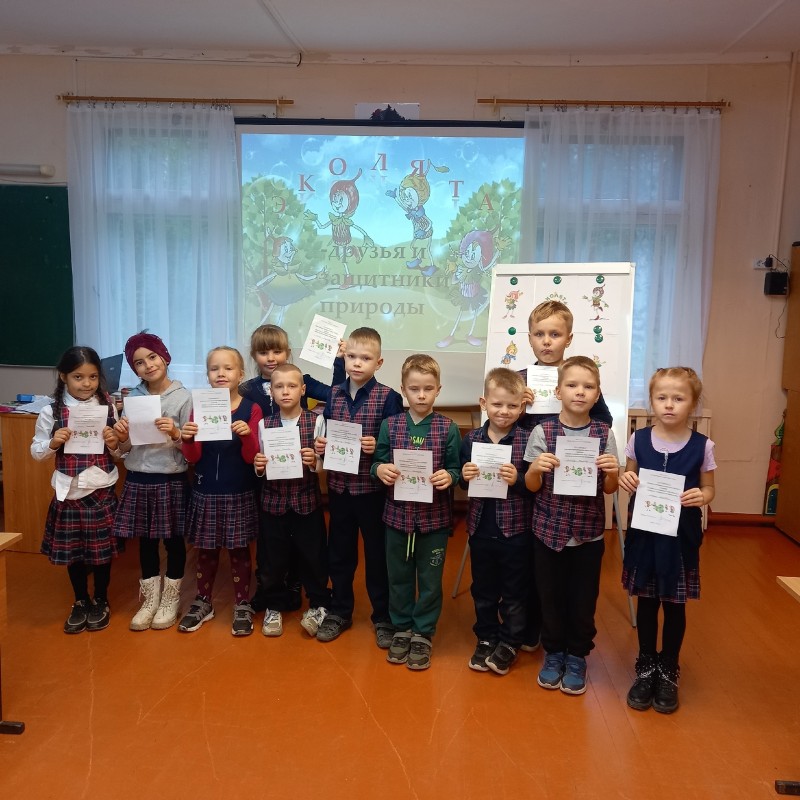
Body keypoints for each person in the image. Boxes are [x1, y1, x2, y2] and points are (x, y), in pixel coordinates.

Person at [517, 299, 613, 653]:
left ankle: (560, 634)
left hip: (571, 486)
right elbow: (499, 423)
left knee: (560, 566)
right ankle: (532, 624)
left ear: (568, 339)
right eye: (540, 334)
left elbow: (603, 423)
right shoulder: (520, 380)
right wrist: (518, 407)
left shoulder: (579, 378)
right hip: (528, 478)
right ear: (530, 338)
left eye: (555, 334)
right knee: (533, 558)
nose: (547, 341)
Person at [619, 367, 716, 714]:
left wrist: (702, 497)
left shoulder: (703, 446)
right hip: (645, 535)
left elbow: (709, 488)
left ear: (693, 404)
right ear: (652, 401)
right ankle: (646, 665)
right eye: (662, 398)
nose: (669, 405)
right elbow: (628, 474)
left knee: (675, 606)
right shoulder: (638, 439)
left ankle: (669, 668)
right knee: (647, 602)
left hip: (680, 539)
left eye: (678, 398)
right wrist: (626, 479)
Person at [524, 355, 619, 694]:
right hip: (548, 532)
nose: (580, 392)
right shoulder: (542, 431)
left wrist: (613, 472)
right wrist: (535, 469)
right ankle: (553, 653)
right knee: (550, 596)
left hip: (588, 534)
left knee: (583, 599)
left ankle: (577, 655)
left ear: (597, 395)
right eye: (572, 385)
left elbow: (609, 489)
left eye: (588, 387)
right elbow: (531, 486)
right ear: (558, 391)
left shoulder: (604, 434)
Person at [240, 323, 343, 615]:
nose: (271, 357)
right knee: (272, 547)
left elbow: (336, 396)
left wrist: (338, 361)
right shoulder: (248, 391)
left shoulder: (310, 406)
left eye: (277, 351)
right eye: (264, 352)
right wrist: (259, 465)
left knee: (309, 548)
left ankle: (303, 590)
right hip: (269, 487)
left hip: (303, 491)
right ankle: (271, 594)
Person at [313, 327, 404, 646]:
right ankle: (340, 610)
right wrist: (321, 445)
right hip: (339, 490)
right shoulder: (334, 394)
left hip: (372, 492)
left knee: (377, 555)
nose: (356, 363)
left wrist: (378, 447)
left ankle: (383, 615)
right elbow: (324, 432)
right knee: (340, 553)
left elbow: (398, 443)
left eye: (365, 358)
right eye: (351, 356)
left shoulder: (389, 397)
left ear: (378, 363)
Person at [372, 354, 461, 670]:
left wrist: (450, 476)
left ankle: (423, 632)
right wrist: (380, 469)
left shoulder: (448, 428)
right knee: (398, 577)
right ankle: (402, 627)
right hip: (397, 519)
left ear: (438, 390)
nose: (421, 395)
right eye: (414, 389)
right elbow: (377, 461)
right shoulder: (390, 425)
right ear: (403, 390)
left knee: (430, 579)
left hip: (433, 522)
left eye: (428, 389)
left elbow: (456, 468)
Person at [30, 346, 122, 633]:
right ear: (63, 377)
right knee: (75, 553)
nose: (86, 384)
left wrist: (114, 442)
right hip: (68, 491)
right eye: (78, 377)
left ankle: (101, 599)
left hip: (100, 487)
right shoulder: (51, 411)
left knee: (101, 553)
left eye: (93, 377)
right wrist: (53, 442)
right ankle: (80, 600)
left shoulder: (107, 406)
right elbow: (36, 452)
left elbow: (119, 452)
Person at [178, 346, 262, 636]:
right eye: (214, 369)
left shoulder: (251, 409)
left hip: (239, 491)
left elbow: (252, 458)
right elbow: (192, 457)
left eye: (228, 368)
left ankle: (242, 603)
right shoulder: (200, 408)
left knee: (239, 552)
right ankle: (203, 601)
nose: (221, 373)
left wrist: (247, 436)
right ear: (207, 375)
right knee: (206, 551)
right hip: (207, 492)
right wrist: (188, 438)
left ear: (241, 374)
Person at [112, 332, 192, 631]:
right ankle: (149, 600)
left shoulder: (184, 397)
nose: (148, 365)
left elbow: (192, 450)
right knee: (145, 542)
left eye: (152, 357)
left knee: (173, 541)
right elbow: (125, 448)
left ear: (165, 357)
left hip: (170, 478)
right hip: (138, 478)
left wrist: (176, 432)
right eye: (139, 362)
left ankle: (171, 600)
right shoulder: (133, 398)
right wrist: (122, 436)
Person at [460, 367, 533, 675]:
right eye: (497, 404)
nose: (504, 411)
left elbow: (535, 487)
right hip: (480, 529)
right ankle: (486, 637)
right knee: (483, 589)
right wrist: (464, 476)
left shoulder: (528, 440)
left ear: (522, 407)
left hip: (516, 532)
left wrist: (519, 479)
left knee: (514, 591)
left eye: (512, 405)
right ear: (484, 403)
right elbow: (463, 482)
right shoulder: (471, 440)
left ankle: (510, 641)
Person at [253, 363, 331, 638]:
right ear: (271, 391)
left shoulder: (316, 421)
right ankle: (274, 605)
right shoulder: (264, 424)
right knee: (273, 558)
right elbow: (260, 465)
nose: (285, 391)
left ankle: (319, 603)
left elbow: (321, 466)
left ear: (303, 389)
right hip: (273, 504)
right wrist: (259, 466)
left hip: (307, 502)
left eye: (292, 386)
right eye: (279, 386)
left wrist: (314, 461)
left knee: (314, 556)